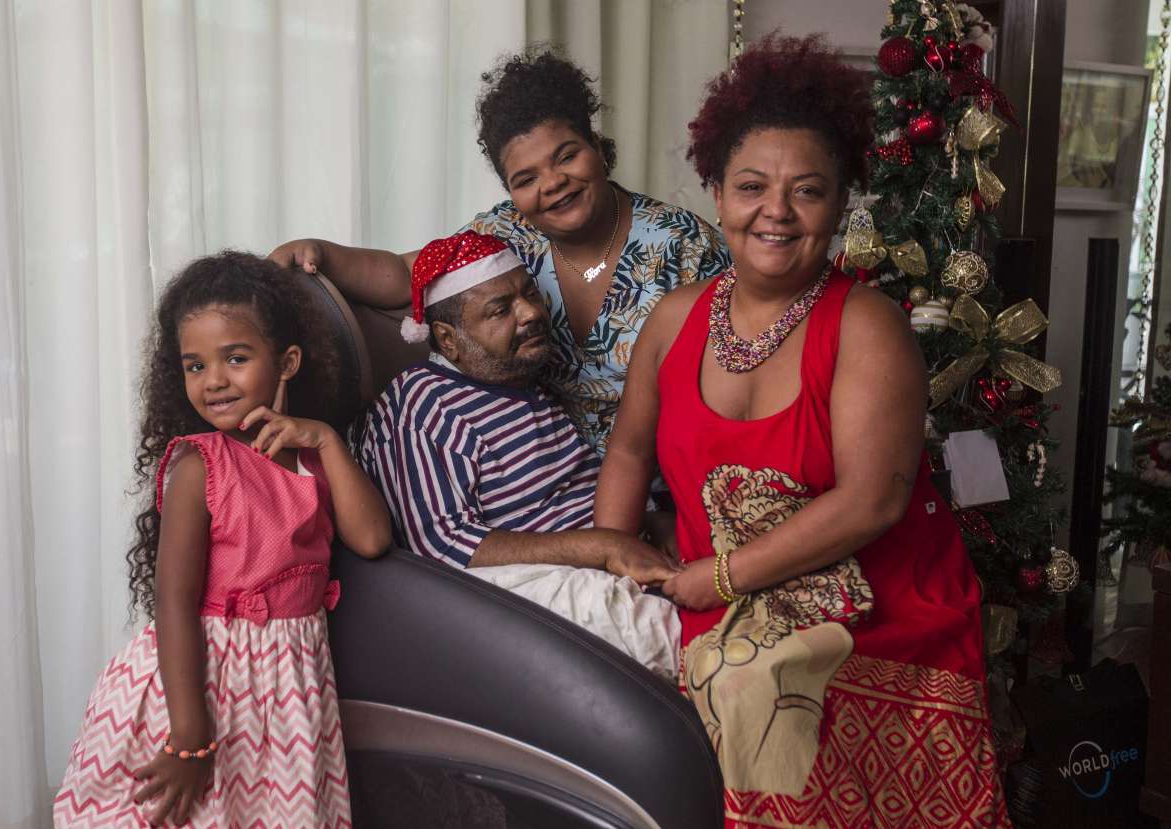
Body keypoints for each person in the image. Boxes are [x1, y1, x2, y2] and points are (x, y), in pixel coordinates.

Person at [594, 33, 1011, 828]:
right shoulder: (674, 320)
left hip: (875, 607)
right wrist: (611, 562)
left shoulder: (868, 325)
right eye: (751, 186)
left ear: (841, 203)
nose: (775, 212)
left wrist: (716, 579)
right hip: (717, 594)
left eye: (807, 191)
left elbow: (870, 504)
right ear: (716, 192)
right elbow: (627, 448)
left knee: (753, 687)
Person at [53, 252, 393, 828]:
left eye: (235, 358)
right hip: (205, 686)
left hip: (286, 689)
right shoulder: (200, 465)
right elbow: (175, 603)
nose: (213, 381)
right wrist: (189, 735)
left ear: (286, 362)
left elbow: (373, 540)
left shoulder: (312, 457)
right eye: (194, 365)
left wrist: (330, 443)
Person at [271, 48, 730, 459]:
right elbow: (406, 271)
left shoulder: (686, 247)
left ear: (596, 146)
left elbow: (730, 384)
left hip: (659, 475)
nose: (552, 183)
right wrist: (322, 254)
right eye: (526, 179)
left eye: (566, 156)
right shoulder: (506, 231)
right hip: (534, 475)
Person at [348, 231, 681, 677]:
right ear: (448, 341)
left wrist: (653, 522)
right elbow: (443, 545)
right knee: (671, 634)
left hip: (606, 556)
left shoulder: (521, 383)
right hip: (518, 591)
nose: (530, 314)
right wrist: (599, 547)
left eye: (529, 294)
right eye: (500, 311)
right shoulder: (424, 404)